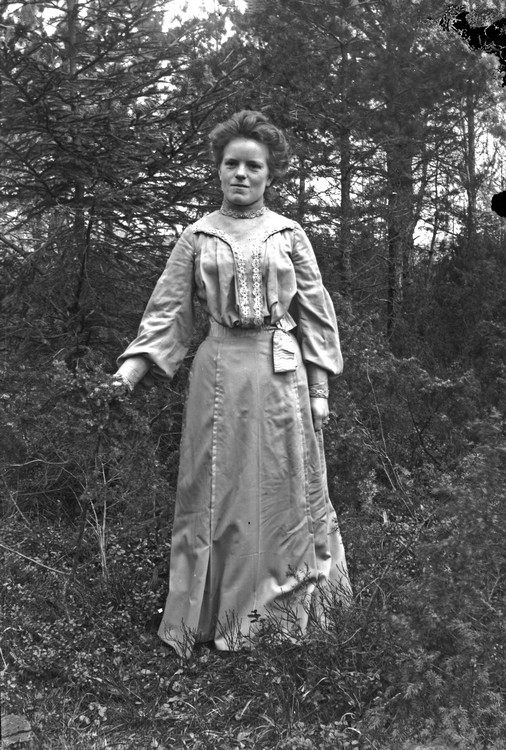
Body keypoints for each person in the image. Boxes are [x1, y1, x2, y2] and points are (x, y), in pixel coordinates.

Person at [114, 110, 351, 656]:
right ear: (218, 169)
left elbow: (316, 317)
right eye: (231, 164)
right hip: (217, 373)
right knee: (213, 489)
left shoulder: (289, 234)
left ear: (270, 173)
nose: (241, 173)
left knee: (284, 488)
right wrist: (129, 373)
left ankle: (283, 612)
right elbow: (167, 312)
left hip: (281, 377)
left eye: (253, 166)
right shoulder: (198, 236)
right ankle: (208, 616)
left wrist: (320, 393)